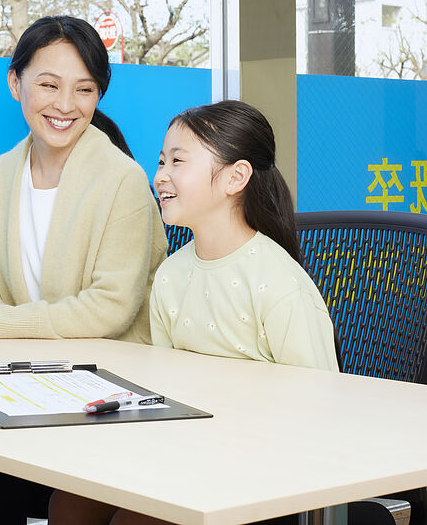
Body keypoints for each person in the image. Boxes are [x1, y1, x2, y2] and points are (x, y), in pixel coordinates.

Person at [0, 15, 168, 525]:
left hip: (109, 389)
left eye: (84, 89)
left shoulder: (123, 179)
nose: (65, 105)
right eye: (48, 84)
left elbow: (111, 309)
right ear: (16, 83)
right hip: (30, 380)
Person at [47, 100, 338, 525]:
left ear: (236, 177)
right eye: (161, 161)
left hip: (259, 467)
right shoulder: (171, 274)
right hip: (186, 452)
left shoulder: (279, 284)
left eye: (178, 161)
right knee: (70, 503)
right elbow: (170, 387)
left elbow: (323, 408)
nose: (160, 175)